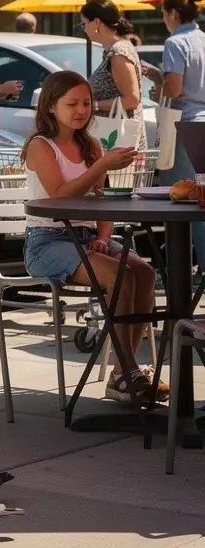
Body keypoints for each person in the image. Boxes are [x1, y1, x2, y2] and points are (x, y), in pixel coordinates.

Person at [22, 70, 166, 403]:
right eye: (71, 103)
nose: (81, 110)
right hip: (48, 241)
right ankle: (129, 370)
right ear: (51, 106)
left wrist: (103, 235)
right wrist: (101, 167)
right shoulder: (40, 146)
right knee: (120, 277)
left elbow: (103, 201)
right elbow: (60, 195)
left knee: (144, 273)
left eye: (86, 102)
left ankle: (120, 372)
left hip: (85, 237)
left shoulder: (91, 144)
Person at [159, 0, 205, 272]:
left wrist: (159, 86)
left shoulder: (174, 42)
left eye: (164, 15)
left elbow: (174, 89)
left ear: (174, 14)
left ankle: (180, 270)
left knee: (180, 200)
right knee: (203, 199)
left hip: (185, 123)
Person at [80, 0, 145, 148]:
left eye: (84, 24)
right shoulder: (114, 50)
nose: (83, 29)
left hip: (120, 141)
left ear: (96, 23)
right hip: (116, 138)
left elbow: (131, 100)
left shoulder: (118, 53)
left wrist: (94, 105)